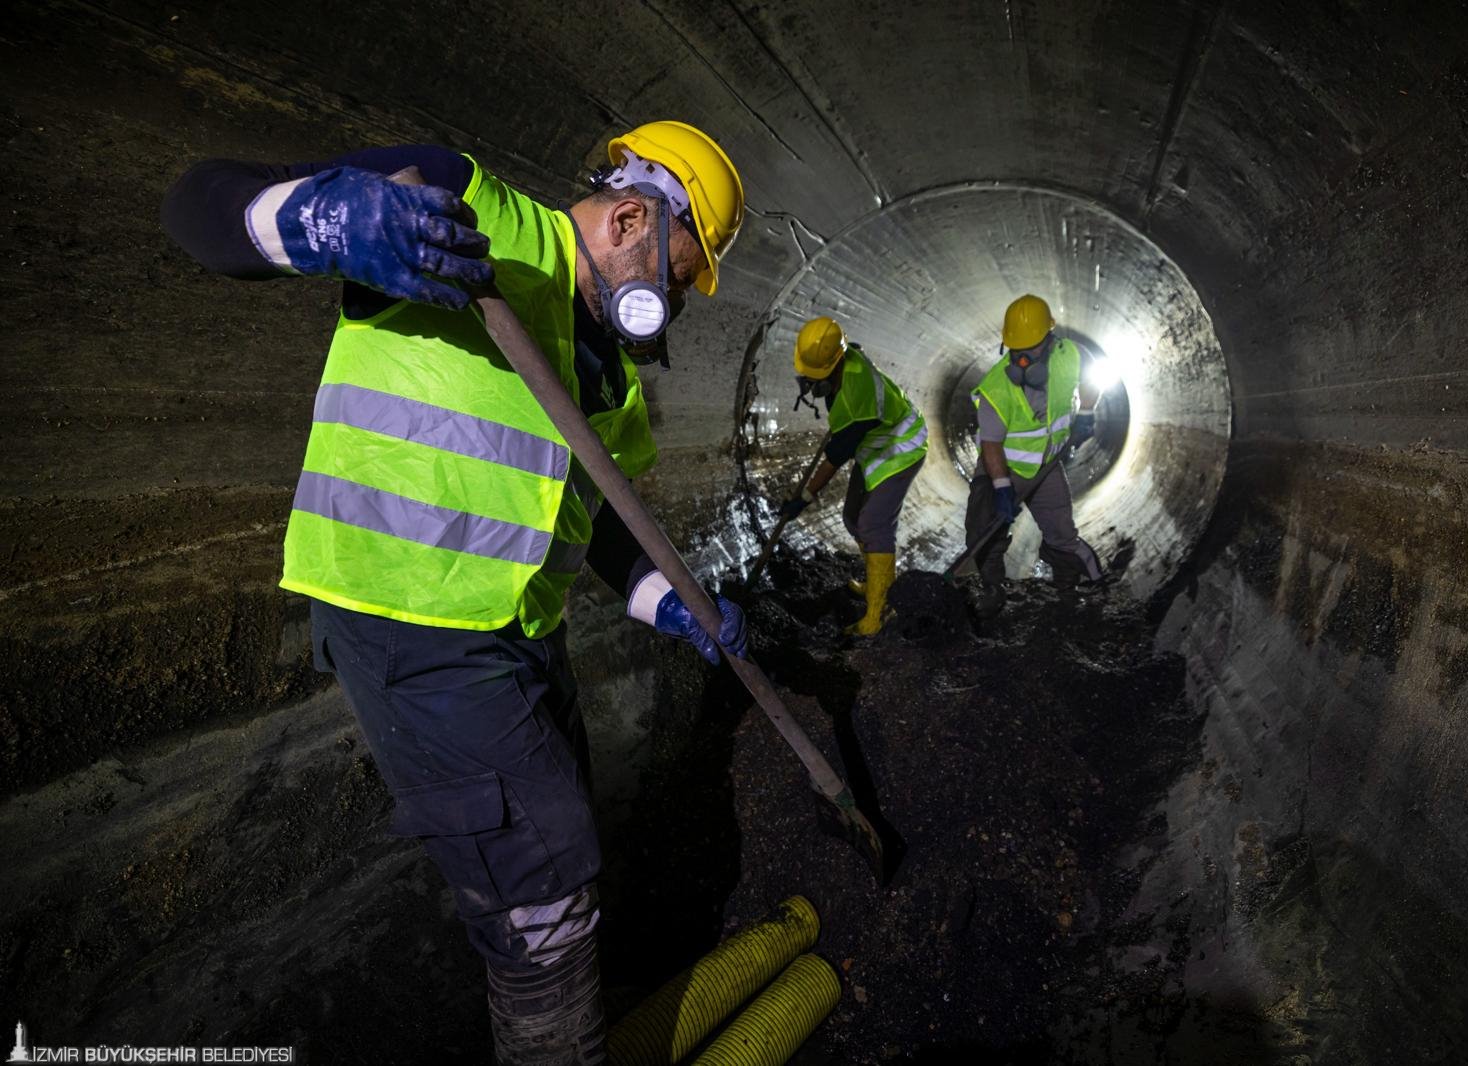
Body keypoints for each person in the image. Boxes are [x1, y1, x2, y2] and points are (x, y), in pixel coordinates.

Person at [161, 122, 748, 1065]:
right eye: (677, 280)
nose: (672, 305)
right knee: (542, 890)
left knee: (562, 839)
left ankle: (579, 1011)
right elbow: (198, 205)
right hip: (410, 619)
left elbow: (599, 521)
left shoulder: (611, 382)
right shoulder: (459, 209)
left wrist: (668, 603)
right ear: (632, 218)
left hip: (520, 634)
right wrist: (331, 222)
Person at [781, 316, 927, 635]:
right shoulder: (845, 357)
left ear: (834, 365)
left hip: (902, 447)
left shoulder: (855, 398)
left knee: (874, 525)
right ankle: (878, 583)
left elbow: (832, 461)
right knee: (852, 518)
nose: (810, 384)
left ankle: (879, 612)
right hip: (876, 447)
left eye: (816, 378)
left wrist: (803, 499)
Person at [964, 294, 1107, 618]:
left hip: (1046, 465)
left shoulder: (1071, 356)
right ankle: (992, 590)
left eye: (1031, 348)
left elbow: (1092, 375)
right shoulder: (996, 388)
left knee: (1061, 531)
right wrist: (1001, 487)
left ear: (1050, 338)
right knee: (982, 531)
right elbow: (991, 445)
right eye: (1016, 350)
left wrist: (1086, 413)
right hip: (1003, 467)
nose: (1023, 359)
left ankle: (1068, 588)